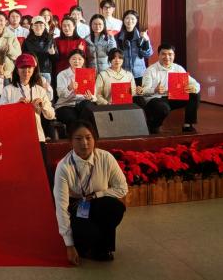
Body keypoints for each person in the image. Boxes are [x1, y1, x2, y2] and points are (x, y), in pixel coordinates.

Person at [53, 120, 127, 264]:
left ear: (94, 139)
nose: (84, 143)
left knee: (114, 207)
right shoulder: (64, 167)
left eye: (88, 137)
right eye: (78, 139)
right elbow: (61, 207)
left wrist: (96, 195)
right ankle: (85, 244)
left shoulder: (105, 158)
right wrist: (69, 245)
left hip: (97, 201)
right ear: (70, 141)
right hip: (76, 206)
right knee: (85, 231)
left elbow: (122, 188)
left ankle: (102, 247)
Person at [137, 43, 201, 133]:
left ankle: (188, 124)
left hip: (173, 97)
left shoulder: (178, 68)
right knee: (163, 109)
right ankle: (153, 125)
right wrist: (155, 90)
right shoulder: (150, 70)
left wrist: (195, 87)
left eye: (170, 54)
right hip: (156, 98)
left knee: (195, 94)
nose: (167, 57)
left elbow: (195, 83)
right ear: (159, 55)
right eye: (163, 54)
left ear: (174, 55)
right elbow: (144, 92)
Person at [54, 50, 98, 129]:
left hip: (82, 103)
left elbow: (94, 96)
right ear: (69, 60)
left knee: (88, 108)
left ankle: (86, 133)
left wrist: (90, 97)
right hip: (66, 104)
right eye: (73, 59)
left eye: (79, 59)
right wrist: (69, 88)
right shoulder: (62, 74)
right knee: (72, 118)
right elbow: (59, 94)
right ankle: (77, 134)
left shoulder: (89, 74)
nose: (76, 61)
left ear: (83, 61)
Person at [116, 10, 153, 85]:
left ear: (136, 21)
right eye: (127, 18)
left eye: (132, 19)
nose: (130, 21)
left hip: (139, 74)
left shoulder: (142, 35)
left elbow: (148, 54)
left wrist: (146, 40)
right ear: (123, 20)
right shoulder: (118, 36)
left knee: (139, 92)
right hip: (123, 73)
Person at [22, 16, 56, 85]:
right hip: (32, 71)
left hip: (46, 71)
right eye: (36, 25)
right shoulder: (27, 41)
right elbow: (24, 58)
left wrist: (53, 54)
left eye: (41, 25)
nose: (38, 27)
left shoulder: (50, 40)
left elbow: (56, 59)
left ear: (45, 26)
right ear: (32, 27)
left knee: (46, 91)